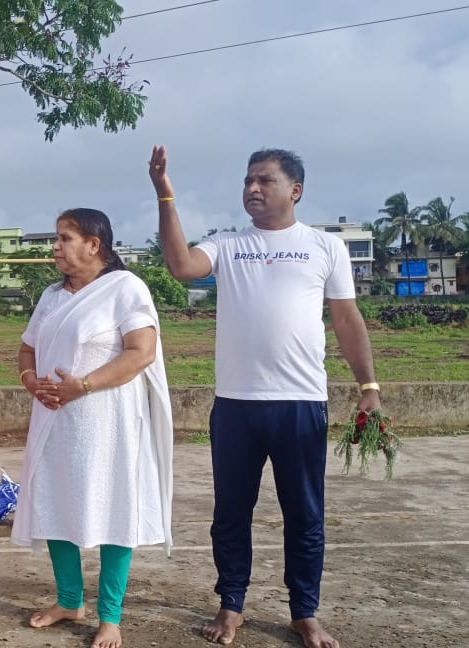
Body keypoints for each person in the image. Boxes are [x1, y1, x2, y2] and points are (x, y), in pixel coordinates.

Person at [149, 146, 380, 648]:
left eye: (265, 181)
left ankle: (305, 612)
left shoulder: (324, 247)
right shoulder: (229, 245)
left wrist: (369, 386)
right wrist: (165, 194)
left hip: (300, 403)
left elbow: (346, 319)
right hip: (236, 404)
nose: (252, 188)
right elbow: (181, 266)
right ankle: (231, 605)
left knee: (305, 513)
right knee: (231, 512)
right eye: (248, 181)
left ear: (295, 190)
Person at [11, 208, 173, 648]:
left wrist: (81, 386)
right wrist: (32, 383)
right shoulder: (51, 296)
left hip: (108, 424)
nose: (55, 247)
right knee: (55, 505)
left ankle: (110, 617)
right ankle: (68, 601)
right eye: (57, 238)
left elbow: (141, 352)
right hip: (55, 422)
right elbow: (26, 351)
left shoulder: (125, 289)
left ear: (94, 244)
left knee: (113, 510)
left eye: (65, 238)